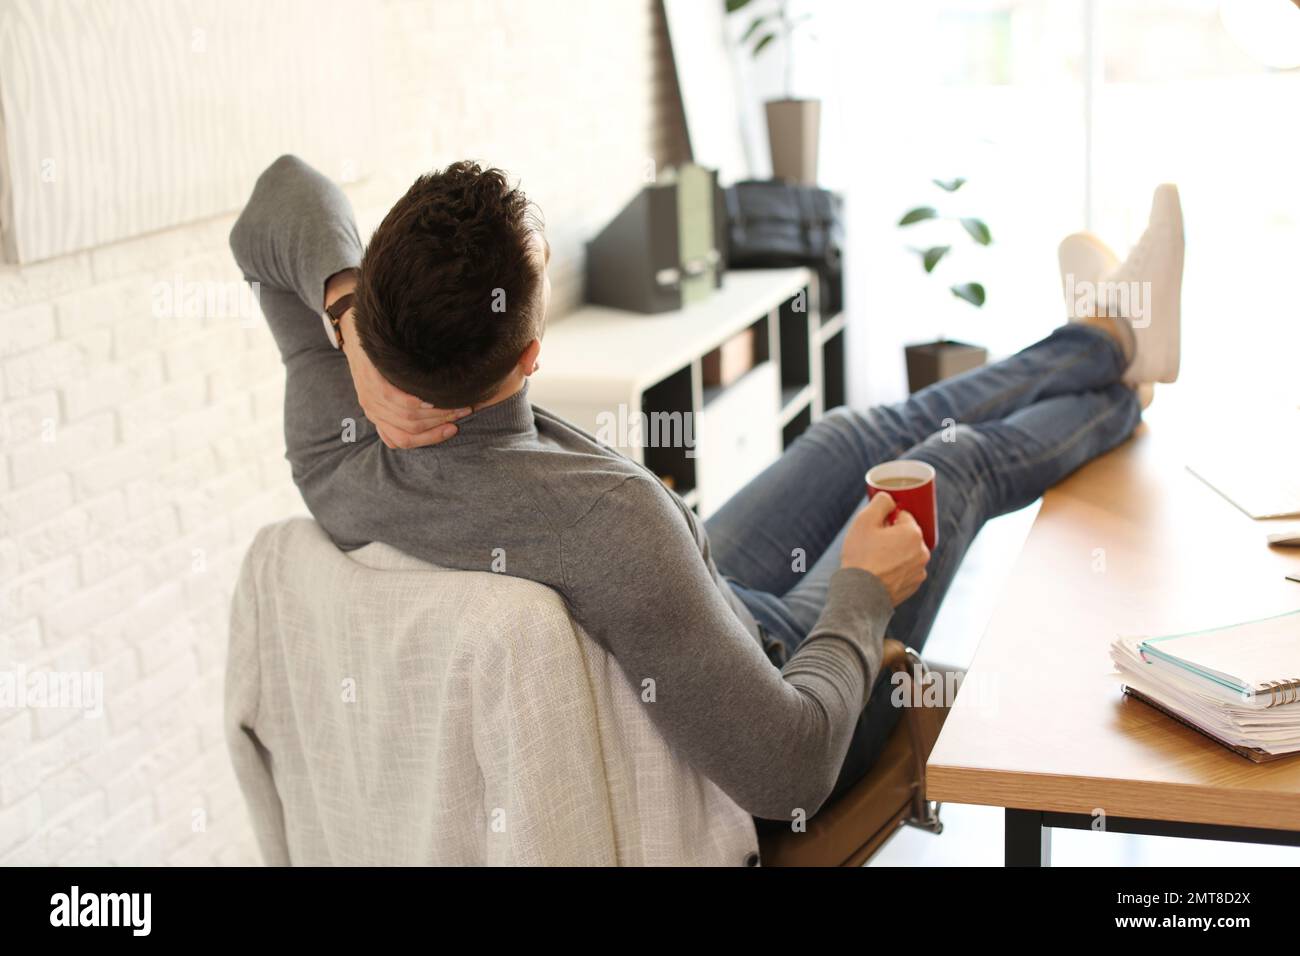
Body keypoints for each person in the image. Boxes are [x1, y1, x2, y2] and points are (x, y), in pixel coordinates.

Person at [229, 156, 1183, 821]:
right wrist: (861, 591)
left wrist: (344, 306)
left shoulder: (336, 444)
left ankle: (1103, 342)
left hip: (691, 604)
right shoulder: (613, 525)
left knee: (854, 431)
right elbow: (789, 772)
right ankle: (1122, 381)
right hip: (783, 679)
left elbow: (280, 196)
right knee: (946, 466)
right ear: (529, 357)